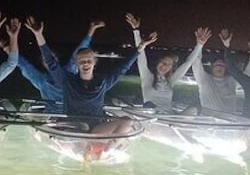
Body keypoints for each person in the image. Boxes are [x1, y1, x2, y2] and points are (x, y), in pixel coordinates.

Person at [24, 15, 156, 117]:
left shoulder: (103, 82)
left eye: (88, 60)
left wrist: (141, 46)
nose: (85, 63)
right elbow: (51, 63)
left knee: (126, 122)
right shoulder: (67, 81)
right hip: (74, 126)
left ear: (94, 62)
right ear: (76, 64)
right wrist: (38, 35)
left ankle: (100, 147)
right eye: (82, 61)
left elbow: (123, 67)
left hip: (96, 125)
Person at [12, 19, 107, 109]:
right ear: (42, 63)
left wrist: (91, 30)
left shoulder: (68, 72)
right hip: (51, 117)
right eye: (45, 60)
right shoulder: (42, 80)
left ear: (57, 60)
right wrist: (7, 46)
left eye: (52, 59)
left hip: (73, 113)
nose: (49, 61)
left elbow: (80, 52)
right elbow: (23, 65)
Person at [125, 13, 207, 113]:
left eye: (168, 65)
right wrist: (136, 30)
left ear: (171, 68)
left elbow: (188, 63)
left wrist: (199, 45)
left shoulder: (170, 80)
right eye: (163, 62)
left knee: (194, 109)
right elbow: (141, 56)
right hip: (152, 117)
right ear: (158, 62)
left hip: (170, 117)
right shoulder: (147, 77)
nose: (164, 66)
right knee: (149, 106)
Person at [192, 27, 250, 114]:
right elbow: (196, 62)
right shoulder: (204, 79)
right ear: (212, 67)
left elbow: (249, 74)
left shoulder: (231, 81)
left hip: (228, 123)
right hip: (208, 123)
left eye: (222, 65)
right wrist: (199, 45)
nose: (220, 67)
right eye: (217, 65)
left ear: (226, 68)